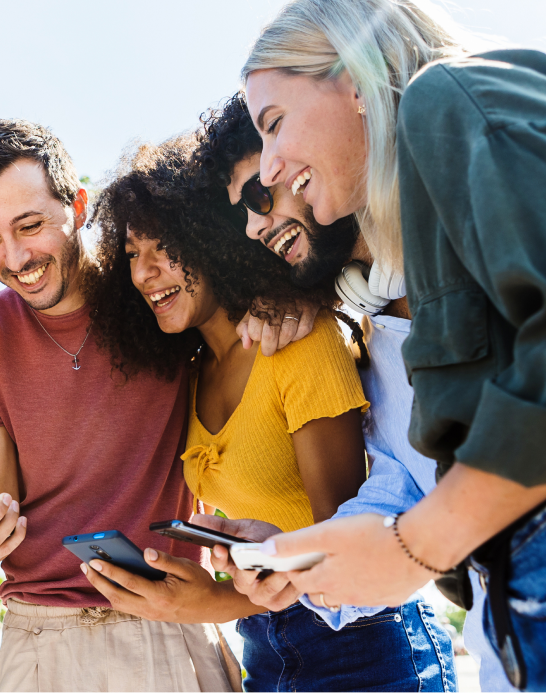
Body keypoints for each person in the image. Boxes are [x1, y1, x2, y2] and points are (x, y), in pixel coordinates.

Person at [236, 0, 546, 690]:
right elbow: (423, 481)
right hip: (525, 611)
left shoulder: (450, 91)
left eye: (275, 123)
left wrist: (416, 546)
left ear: (353, 76)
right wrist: (301, 553)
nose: (272, 165)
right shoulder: (410, 282)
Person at [84, 133, 456, 692]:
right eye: (133, 255)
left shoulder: (295, 341)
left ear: (209, 239)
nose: (143, 273)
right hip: (264, 647)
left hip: (363, 643)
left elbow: (344, 536)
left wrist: (215, 600)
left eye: (163, 246)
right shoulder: (190, 375)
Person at [193, 89, 517, 692]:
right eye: (243, 217)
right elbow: (396, 503)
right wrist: (296, 555)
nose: (255, 227)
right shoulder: (373, 344)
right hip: (510, 652)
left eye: (262, 196)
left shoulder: (483, 230)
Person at [0, 119, 241, 693]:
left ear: (78, 205)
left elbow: (234, 331)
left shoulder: (153, 289)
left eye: (30, 225)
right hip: (41, 642)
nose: (14, 259)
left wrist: (277, 307)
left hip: (169, 622)